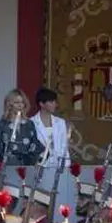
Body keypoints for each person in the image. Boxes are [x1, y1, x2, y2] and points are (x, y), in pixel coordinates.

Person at [31, 87, 73, 216]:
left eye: (55, 101)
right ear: (41, 104)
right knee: (42, 205)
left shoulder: (60, 122)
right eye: (51, 101)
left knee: (59, 204)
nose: (55, 104)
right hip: (41, 170)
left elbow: (64, 147)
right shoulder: (31, 123)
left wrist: (67, 167)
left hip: (59, 169)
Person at [0, 89, 45, 166]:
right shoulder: (2, 124)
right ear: (9, 105)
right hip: (6, 167)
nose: (20, 105)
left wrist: (39, 158)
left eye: (22, 102)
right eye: (17, 102)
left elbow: (35, 144)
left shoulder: (29, 124)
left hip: (25, 166)